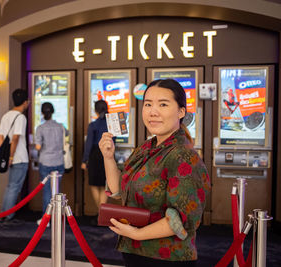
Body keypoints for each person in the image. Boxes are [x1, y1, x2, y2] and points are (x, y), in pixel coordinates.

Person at [99, 79, 210, 266]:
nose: (153, 112)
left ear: (181, 112)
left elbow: (183, 218)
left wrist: (138, 234)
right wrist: (108, 157)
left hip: (166, 258)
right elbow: (118, 190)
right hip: (136, 253)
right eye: (148, 104)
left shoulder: (183, 155)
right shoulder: (147, 147)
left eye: (163, 104)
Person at [0, 89, 29, 222]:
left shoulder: (6, 116)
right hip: (19, 157)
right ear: (25, 102)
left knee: (10, 186)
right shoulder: (20, 117)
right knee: (14, 187)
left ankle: (3, 214)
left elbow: (0, 136)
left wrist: (4, 155)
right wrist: (11, 156)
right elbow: (16, 138)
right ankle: (8, 215)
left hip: (10, 157)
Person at [34, 102, 66, 225]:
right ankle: (58, 219)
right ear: (52, 112)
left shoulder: (40, 128)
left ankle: (46, 219)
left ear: (42, 113)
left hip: (46, 162)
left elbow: (38, 146)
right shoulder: (60, 126)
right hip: (59, 161)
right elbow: (67, 135)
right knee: (57, 191)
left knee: (47, 191)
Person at [81, 100, 111, 219]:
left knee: (94, 184)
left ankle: (100, 212)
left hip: (95, 156)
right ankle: (102, 213)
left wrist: (84, 161)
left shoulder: (93, 125)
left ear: (96, 111)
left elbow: (88, 144)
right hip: (107, 155)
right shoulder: (110, 124)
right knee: (104, 185)